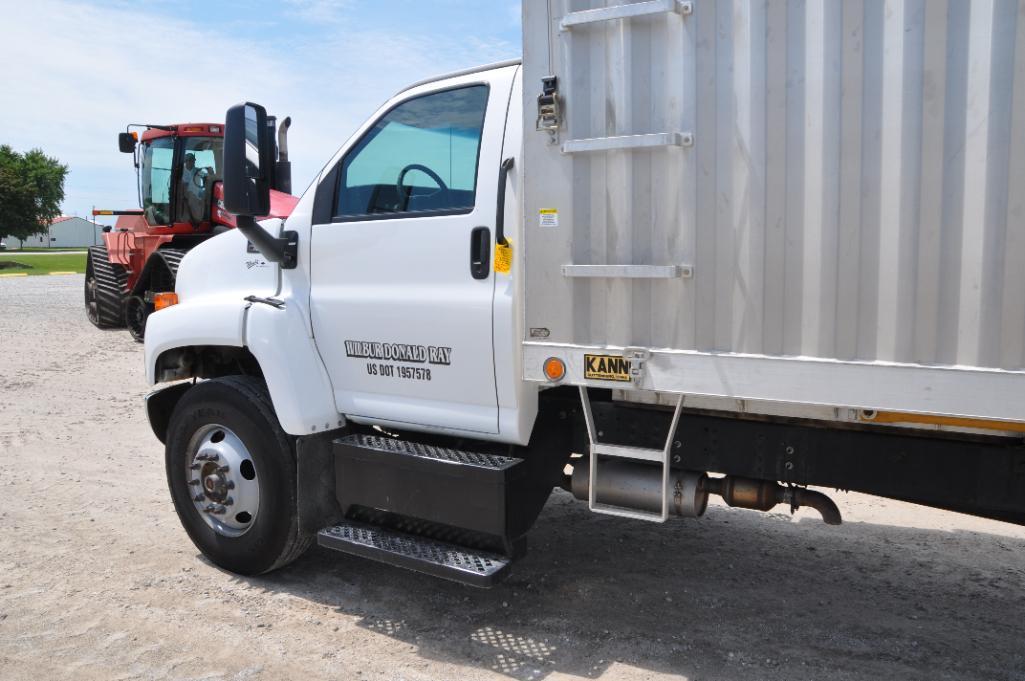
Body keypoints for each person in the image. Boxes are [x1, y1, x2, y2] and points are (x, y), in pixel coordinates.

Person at [180, 153, 211, 223]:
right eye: (189, 160)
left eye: (193, 160)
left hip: (197, 198)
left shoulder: (198, 171)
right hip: (184, 198)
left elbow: (208, 177)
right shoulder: (181, 172)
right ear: (185, 161)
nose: (192, 162)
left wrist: (210, 172)